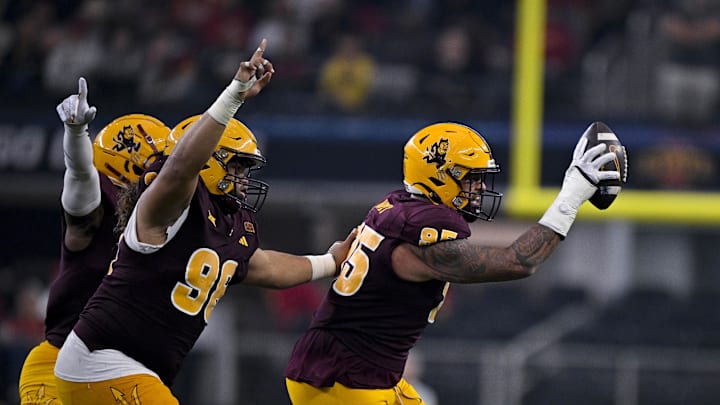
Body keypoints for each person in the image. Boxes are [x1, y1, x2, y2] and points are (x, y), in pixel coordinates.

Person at [53, 38, 355, 405]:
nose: (243, 178)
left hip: (135, 368)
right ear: (207, 159)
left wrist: (331, 261)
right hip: (102, 360)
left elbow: (265, 266)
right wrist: (235, 95)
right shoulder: (169, 204)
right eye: (235, 165)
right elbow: (182, 165)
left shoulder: (229, 223)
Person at [285, 122, 620, 404]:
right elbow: (519, 262)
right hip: (345, 379)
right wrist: (573, 193)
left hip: (346, 369)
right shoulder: (420, 234)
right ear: (438, 175)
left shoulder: (397, 207)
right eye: (470, 178)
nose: (478, 189)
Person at [18, 78, 170, 405]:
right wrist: (76, 134)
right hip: (57, 365)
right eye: (160, 161)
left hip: (120, 369)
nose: (168, 169)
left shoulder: (166, 220)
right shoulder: (100, 207)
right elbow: (80, 179)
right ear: (132, 166)